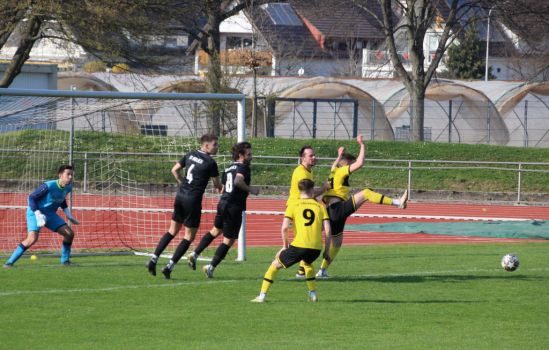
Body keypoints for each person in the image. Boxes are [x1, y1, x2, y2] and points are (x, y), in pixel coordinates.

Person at [315, 134, 409, 278]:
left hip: (332, 211)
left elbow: (333, 165)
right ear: (346, 165)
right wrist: (362, 145)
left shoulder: (333, 172)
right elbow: (360, 163)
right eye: (349, 164)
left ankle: (321, 271)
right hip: (337, 209)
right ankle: (398, 203)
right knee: (365, 193)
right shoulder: (341, 171)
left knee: (337, 244)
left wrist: (338, 156)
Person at [168, 141, 260, 279]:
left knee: (215, 231)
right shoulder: (243, 168)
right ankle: (210, 267)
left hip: (222, 202)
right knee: (228, 240)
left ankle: (195, 254)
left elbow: (223, 185)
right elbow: (238, 181)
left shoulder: (229, 167)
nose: (251, 157)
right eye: (249, 154)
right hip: (233, 206)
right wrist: (251, 189)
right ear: (241, 155)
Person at [147, 134, 222, 276]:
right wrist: (225, 189)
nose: (217, 147)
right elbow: (217, 185)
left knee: (171, 231)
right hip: (193, 200)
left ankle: (153, 260)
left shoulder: (190, 154)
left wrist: (183, 183)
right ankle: (169, 267)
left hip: (181, 196)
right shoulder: (210, 162)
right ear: (206, 146)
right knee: (189, 237)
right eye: (215, 145)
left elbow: (174, 170)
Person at [251, 179, 331, 303]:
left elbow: (284, 228)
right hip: (316, 248)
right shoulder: (320, 206)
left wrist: (284, 246)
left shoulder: (294, 205)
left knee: (274, 265)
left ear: (300, 190)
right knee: (307, 264)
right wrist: (326, 252)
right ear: (312, 190)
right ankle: (313, 294)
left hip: (299, 245)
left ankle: (262, 296)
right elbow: (328, 230)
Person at [3, 165, 80, 268]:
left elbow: (61, 199)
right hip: (35, 212)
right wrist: (38, 214)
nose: (70, 177)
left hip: (50, 214)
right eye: (68, 174)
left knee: (69, 234)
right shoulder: (48, 185)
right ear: (60, 175)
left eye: (72, 175)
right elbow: (31, 198)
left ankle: (65, 261)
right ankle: (9, 263)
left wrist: (68, 215)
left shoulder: (68, 187)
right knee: (32, 238)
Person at [287, 145, 329, 278]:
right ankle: (284, 261)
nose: (314, 157)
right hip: (297, 207)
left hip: (304, 206)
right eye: (311, 155)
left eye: (314, 155)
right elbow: (307, 193)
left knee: (310, 234)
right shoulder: (301, 172)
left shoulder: (308, 171)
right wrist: (324, 188)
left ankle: (301, 269)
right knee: (302, 238)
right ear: (302, 158)